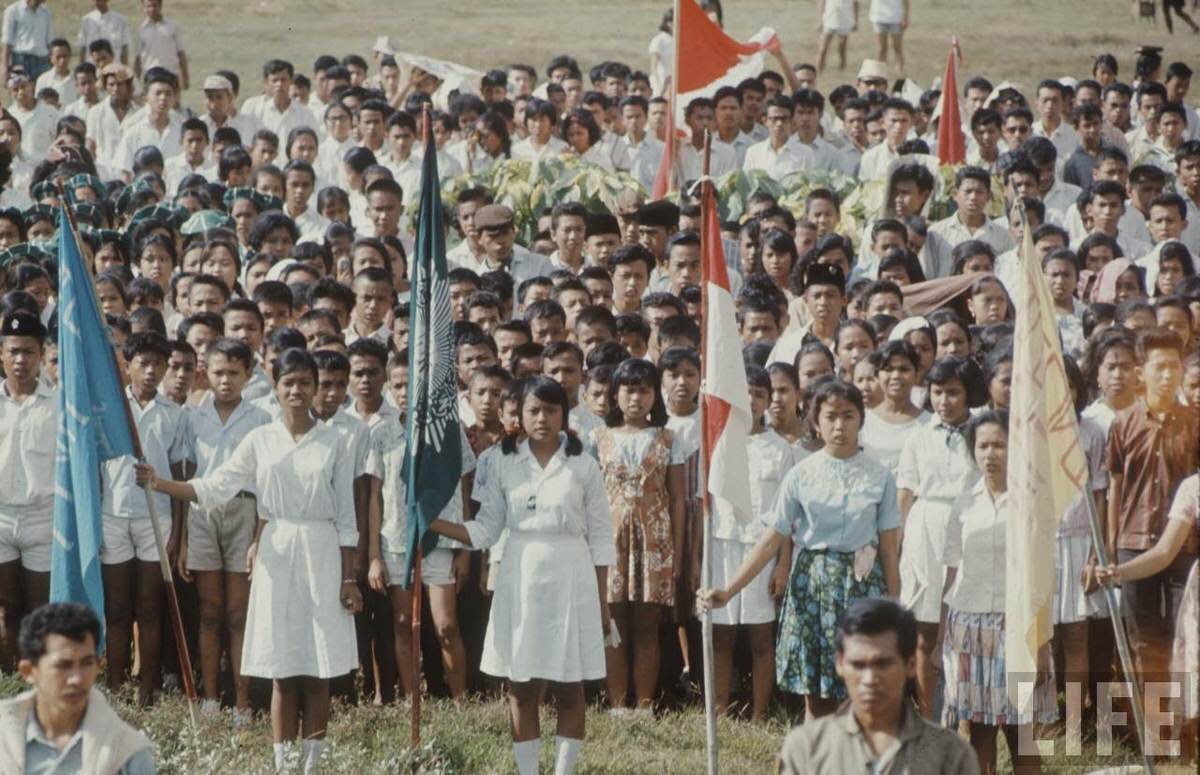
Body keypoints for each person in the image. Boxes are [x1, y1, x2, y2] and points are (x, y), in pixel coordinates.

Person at [136, 348, 362, 774]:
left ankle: (312, 765)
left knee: (317, 668)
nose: (297, 391)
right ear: (274, 389)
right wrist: (159, 483)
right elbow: (216, 486)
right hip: (277, 550)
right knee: (282, 665)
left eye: (305, 383)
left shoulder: (338, 440)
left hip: (322, 549)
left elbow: (347, 516)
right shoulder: (260, 438)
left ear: (317, 388)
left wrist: (348, 577)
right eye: (288, 383)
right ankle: (282, 762)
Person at [424, 377, 614, 775]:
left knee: (569, 683)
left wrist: (601, 604)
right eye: (533, 410)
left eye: (551, 409)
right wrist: (432, 524)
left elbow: (599, 538)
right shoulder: (499, 460)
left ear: (564, 413)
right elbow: (485, 530)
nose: (542, 418)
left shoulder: (583, 463)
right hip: (520, 574)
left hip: (571, 576)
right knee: (523, 684)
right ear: (519, 414)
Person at [700, 378, 901, 720]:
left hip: (862, 588)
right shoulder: (801, 474)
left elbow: (888, 549)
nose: (840, 425)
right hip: (813, 588)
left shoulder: (880, 476)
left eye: (849, 415)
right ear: (815, 420)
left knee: (861, 691)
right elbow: (770, 540)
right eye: (831, 416)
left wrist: (895, 606)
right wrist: (729, 590)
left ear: (861, 419)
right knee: (818, 695)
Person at [941, 410, 1058, 774]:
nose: (991, 454)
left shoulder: (1031, 503)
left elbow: (1041, 578)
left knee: (1022, 732)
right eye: (983, 446)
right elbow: (952, 574)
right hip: (969, 630)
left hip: (1018, 628)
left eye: (1000, 445)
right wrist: (939, 639)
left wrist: (1038, 645)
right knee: (977, 731)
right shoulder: (964, 503)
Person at [776, 598, 979, 774]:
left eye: (883, 664)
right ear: (840, 664)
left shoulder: (950, 754)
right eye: (858, 665)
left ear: (910, 665)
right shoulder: (805, 749)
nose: (870, 678)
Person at [179, 337, 270, 719]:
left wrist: (258, 537)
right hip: (201, 512)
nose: (226, 380)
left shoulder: (261, 419)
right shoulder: (193, 415)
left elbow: (266, 482)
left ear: (248, 375)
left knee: (238, 613)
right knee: (210, 611)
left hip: (244, 512)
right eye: (218, 372)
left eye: (234, 373)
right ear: (206, 373)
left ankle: (243, 702)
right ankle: (212, 699)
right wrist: (182, 537)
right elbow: (186, 475)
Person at [100, 331, 189, 707]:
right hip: (113, 516)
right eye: (143, 364)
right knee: (118, 610)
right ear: (128, 365)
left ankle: (146, 692)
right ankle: (116, 687)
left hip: (157, 517)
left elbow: (183, 476)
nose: (151, 372)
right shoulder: (110, 408)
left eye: (159, 365)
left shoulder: (174, 414)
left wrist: (179, 536)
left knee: (150, 608)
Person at [592, 358, 685, 713]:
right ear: (616, 394)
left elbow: (677, 497)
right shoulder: (597, 439)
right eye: (629, 390)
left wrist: (674, 549)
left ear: (654, 395)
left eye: (644, 390)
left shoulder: (667, 438)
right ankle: (617, 704)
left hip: (654, 538)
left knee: (647, 626)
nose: (636, 398)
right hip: (610, 537)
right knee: (613, 624)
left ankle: (644, 704)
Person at [895, 355, 986, 718]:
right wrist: (899, 542)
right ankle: (927, 713)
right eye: (937, 392)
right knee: (925, 625)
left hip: (971, 525)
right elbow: (906, 493)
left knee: (966, 622)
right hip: (926, 529)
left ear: (968, 395)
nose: (944, 401)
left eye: (953, 393)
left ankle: (962, 712)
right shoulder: (918, 436)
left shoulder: (983, 430)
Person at [707, 365, 798, 721]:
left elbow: (786, 516)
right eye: (744, 392)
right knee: (722, 636)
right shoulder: (719, 442)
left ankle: (760, 714)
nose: (751, 400)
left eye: (759, 394)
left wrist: (783, 562)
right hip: (722, 545)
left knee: (761, 638)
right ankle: (718, 710)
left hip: (762, 550)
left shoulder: (780, 449)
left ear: (768, 400)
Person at [0, 602, 155, 774]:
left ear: (98, 666)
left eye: (87, 663)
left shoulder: (127, 754)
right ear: (28, 671)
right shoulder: (5, 742)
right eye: (63, 665)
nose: (76, 679)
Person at [0, 311, 56, 669]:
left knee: (40, 607)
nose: (21, 361)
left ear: (40, 355)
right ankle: (8, 677)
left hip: (42, 518)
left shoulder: (58, 405)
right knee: (6, 606)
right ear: (1, 352)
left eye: (29, 352)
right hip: (1, 517)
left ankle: (35, 676)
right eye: (14, 351)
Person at [0, 0, 52, 81]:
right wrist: (4, 67)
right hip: (21, 61)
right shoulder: (13, 11)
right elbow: (7, 41)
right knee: (21, 92)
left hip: (42, 62)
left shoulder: (46, 12)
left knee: (43, 92)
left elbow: (49, 41)